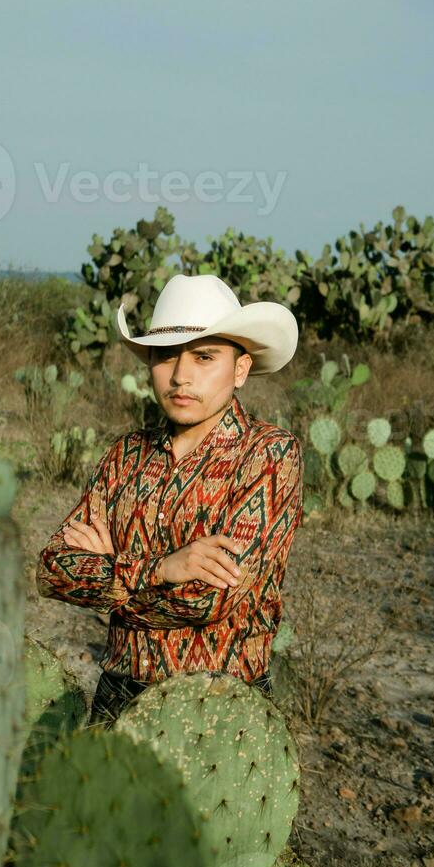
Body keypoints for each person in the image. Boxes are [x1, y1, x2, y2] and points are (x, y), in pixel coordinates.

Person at [36, 272, 304, 727]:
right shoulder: (125, 456)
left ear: (240, 369)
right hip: (120, 694)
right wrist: (162, 568)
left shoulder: (269, 455)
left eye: (204, 357)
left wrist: (110, 577)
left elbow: (208, 601)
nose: (180, 376)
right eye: (165, 356)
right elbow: (52, 571)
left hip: (220, 706)